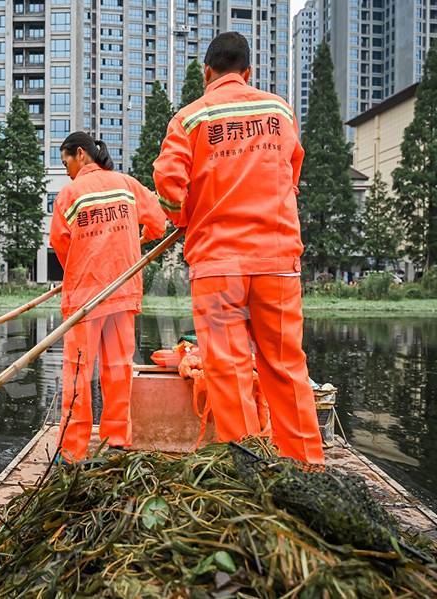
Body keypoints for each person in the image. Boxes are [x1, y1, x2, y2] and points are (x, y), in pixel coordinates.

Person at [153, 32, 324, 464]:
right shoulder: (279, 110)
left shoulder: (189, 118)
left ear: (206, 72)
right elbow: (292, 172)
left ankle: (250, 469)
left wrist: (182, 216)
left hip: (217, 264)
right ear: (248, 73)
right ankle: (308, 466)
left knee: (228, 371)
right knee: (286, 368)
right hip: (277, 261)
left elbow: (169, 185)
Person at [49, 132, 167, 462]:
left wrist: (81, 265)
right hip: (122, 291)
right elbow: (159, 222)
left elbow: (61, 244)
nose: (67, 170)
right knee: (117, 369)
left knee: (78, 374)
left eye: (66, 162)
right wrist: (136, 240)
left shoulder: (69, 195)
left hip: (84, 299)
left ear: (82, 155)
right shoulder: (127, 185)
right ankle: (118, 441)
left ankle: (71, 449)